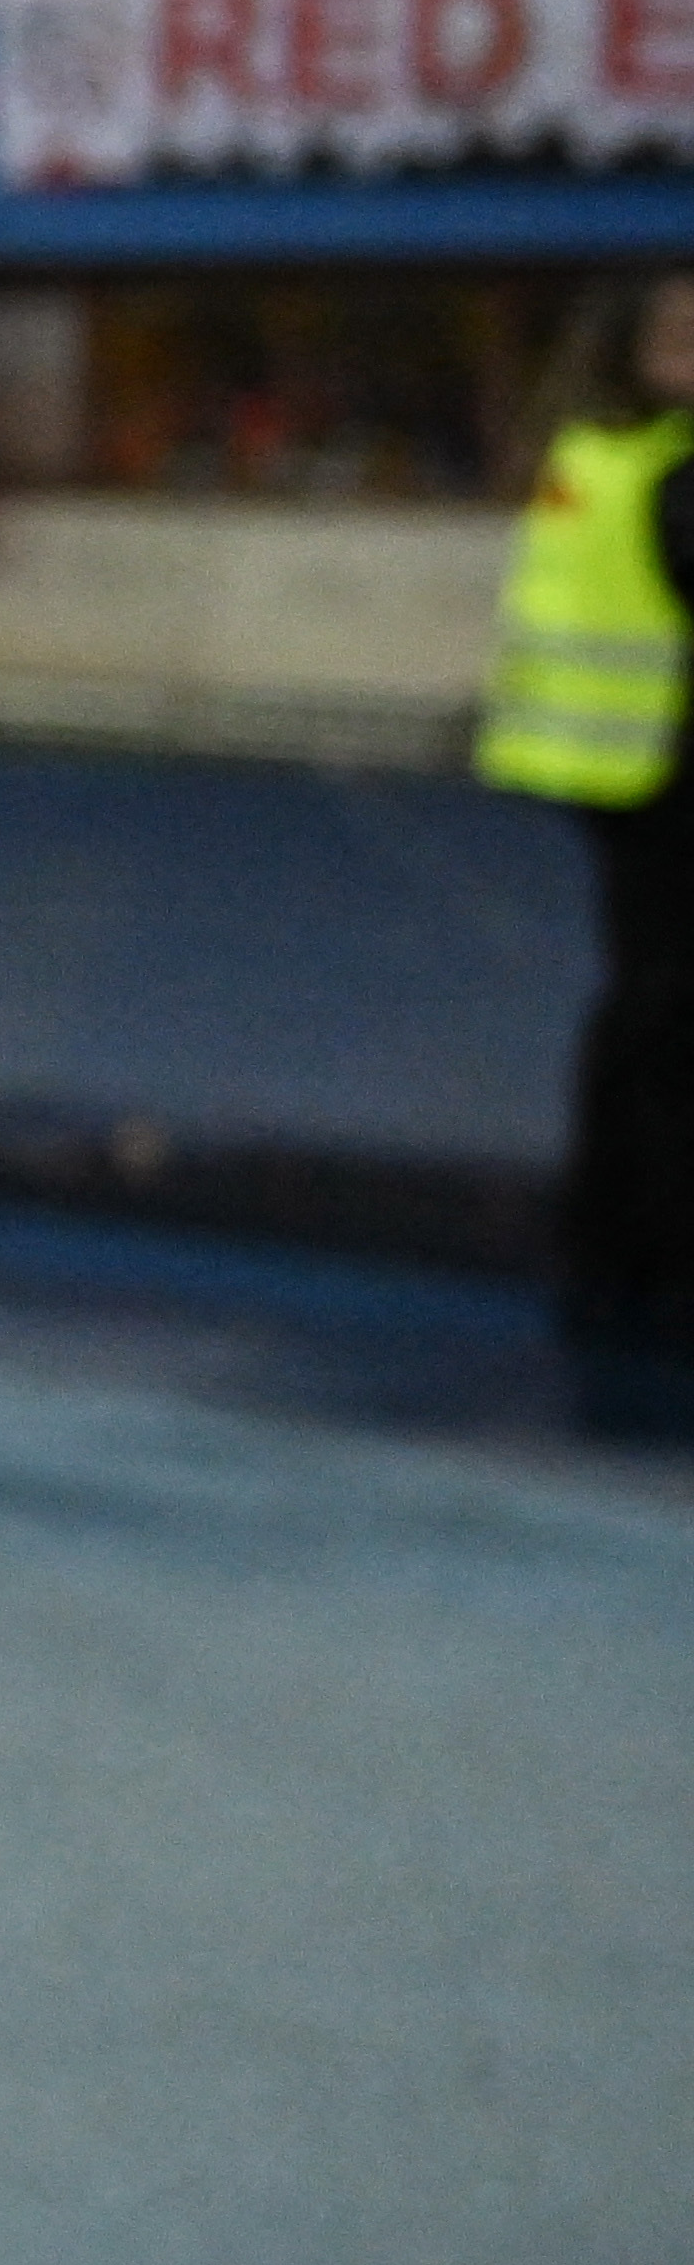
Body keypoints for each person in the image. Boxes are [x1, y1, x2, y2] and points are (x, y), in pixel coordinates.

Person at [471, 267, 694, 1412]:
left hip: (622, 780)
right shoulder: (666, 470)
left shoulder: (596, 456)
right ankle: (642, 1253)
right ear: (643, 354)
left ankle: (616, 1246)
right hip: (663, 784)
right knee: (662, 1029)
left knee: (642, 1018)